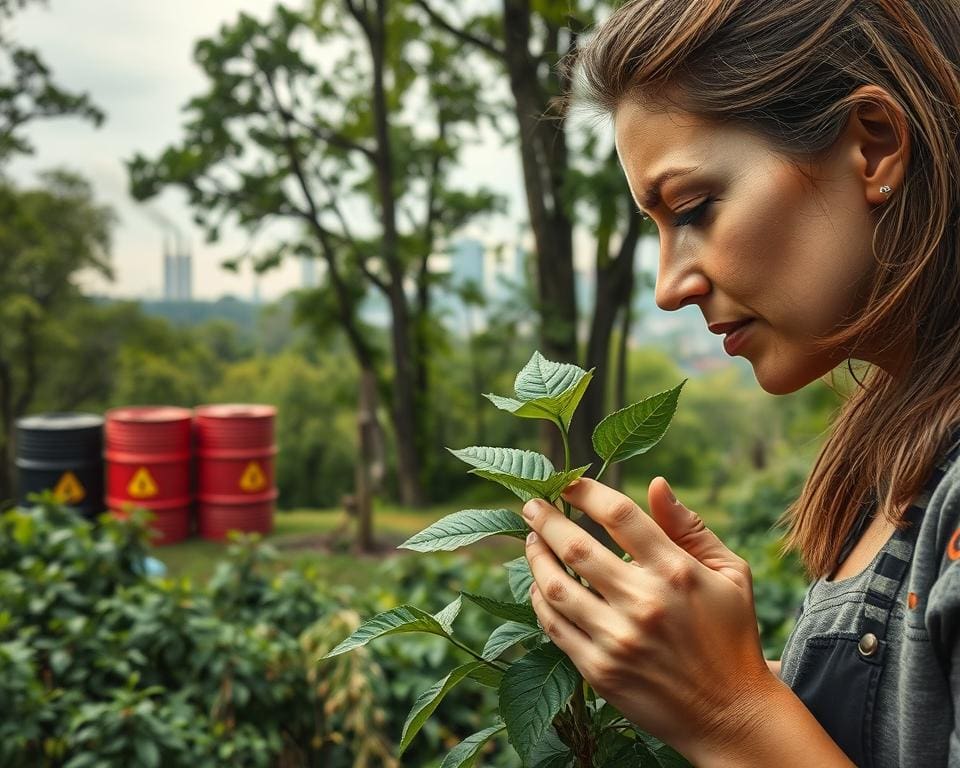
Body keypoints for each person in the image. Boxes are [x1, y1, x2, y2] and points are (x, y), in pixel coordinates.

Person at [521, 1, 960, 766]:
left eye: (692, 208)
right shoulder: (885, 455)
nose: (668, 286)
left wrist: (728, 709)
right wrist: (709, 665)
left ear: (875, 146)